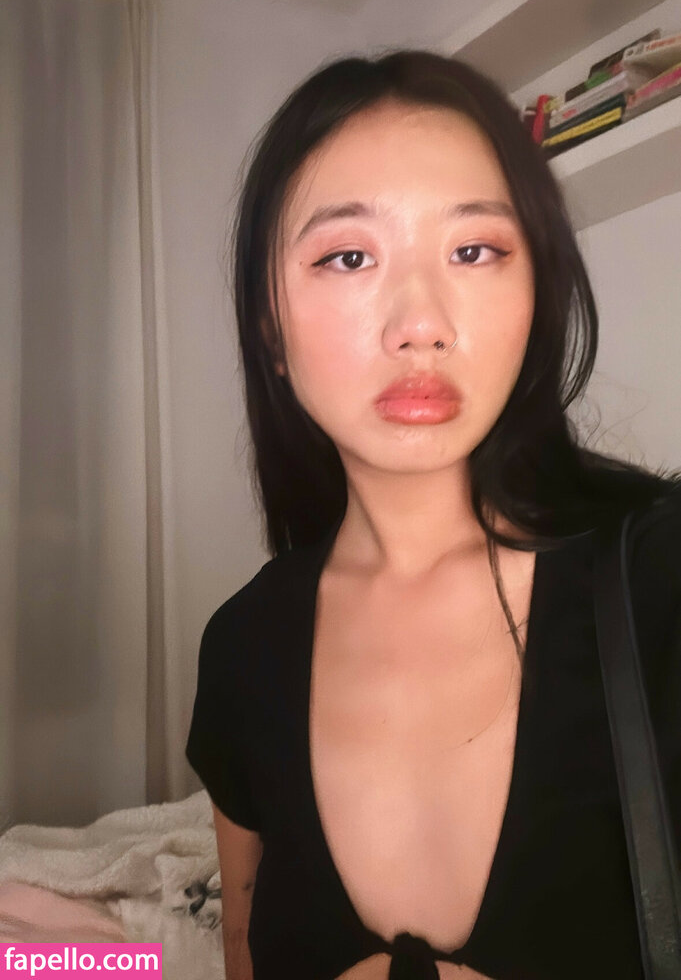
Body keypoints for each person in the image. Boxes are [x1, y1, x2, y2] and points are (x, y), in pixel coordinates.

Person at [185, 50, 681, 980]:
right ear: (269, 329)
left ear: (536, 296)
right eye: (347, 257)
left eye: (474, 250)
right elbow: (243, 941)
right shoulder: (244, 643)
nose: (420, 323)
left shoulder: (660, 577)